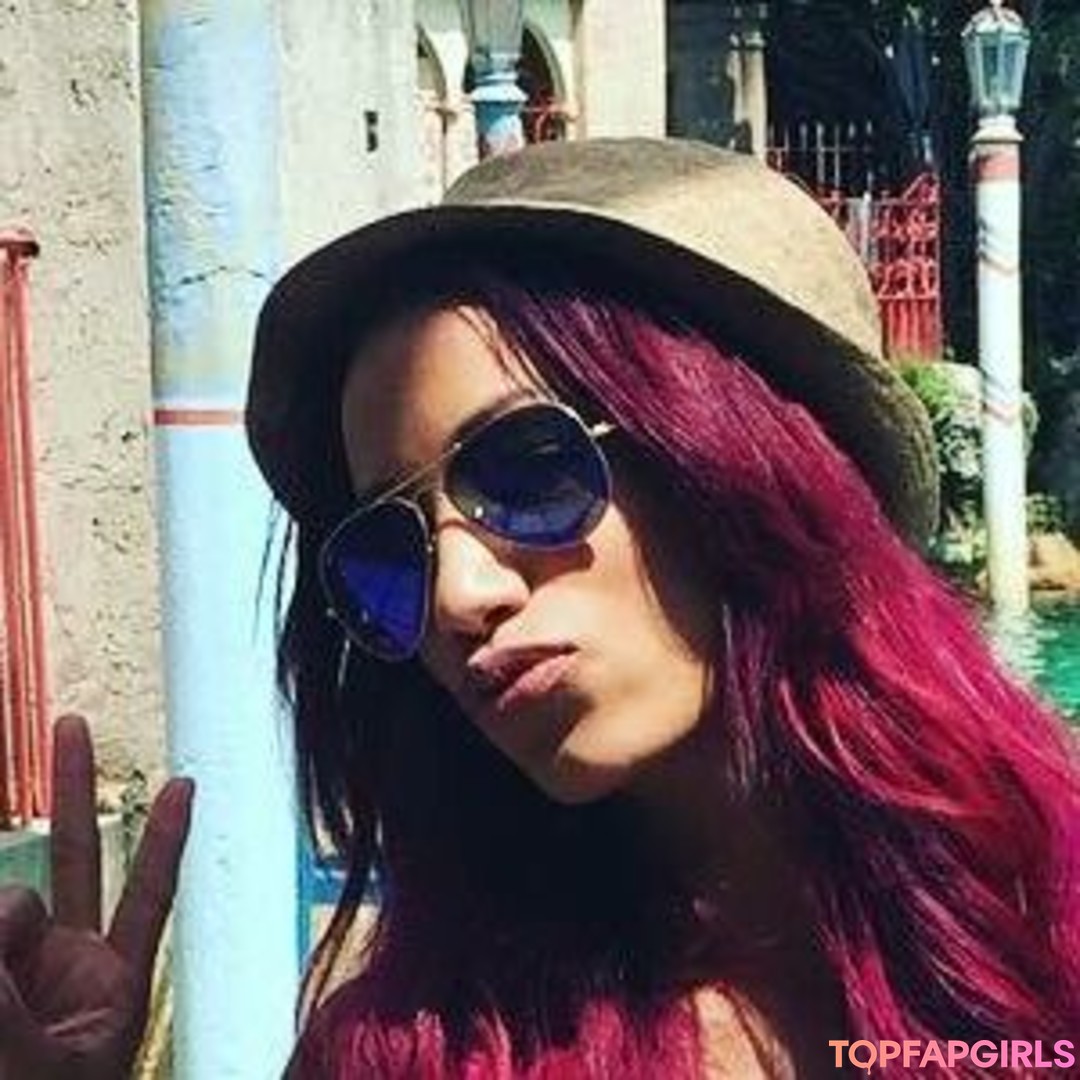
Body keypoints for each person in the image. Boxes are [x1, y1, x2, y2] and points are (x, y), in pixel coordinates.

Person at [1, 137, 1078, 1077]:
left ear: (742, 464)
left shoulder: (1041, 938)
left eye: (527, 468)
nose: (458, 595)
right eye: (389, 549)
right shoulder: (420, 1052)